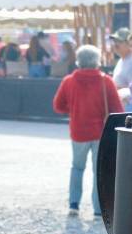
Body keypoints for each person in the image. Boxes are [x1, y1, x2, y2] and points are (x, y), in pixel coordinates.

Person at [52, 45, 124, 218]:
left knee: (77, 167)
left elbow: (57, 106)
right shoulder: (106, 81)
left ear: (78, 61)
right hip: (101, 133)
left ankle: (74, 204)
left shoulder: (69, 81)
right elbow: (118, 110)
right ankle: (99, 209)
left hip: (78, 132)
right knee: (98, 171)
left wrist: (74, 108)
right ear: (97, 61)